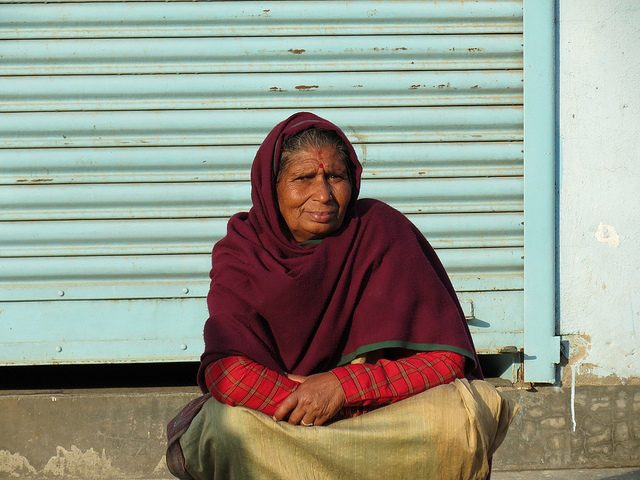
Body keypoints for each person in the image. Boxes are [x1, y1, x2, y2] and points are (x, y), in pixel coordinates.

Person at [167, 112, 515, 480]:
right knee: (222, 430)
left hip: (376, 415)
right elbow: (228, 373)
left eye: (335, 177)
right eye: (303, 178)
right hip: (280, 419)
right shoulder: (242, 250)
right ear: (271, 187)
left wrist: (342, 389)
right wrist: (305, 400)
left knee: (455, 418)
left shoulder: (381, 231)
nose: (324, 195)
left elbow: (445, 361)